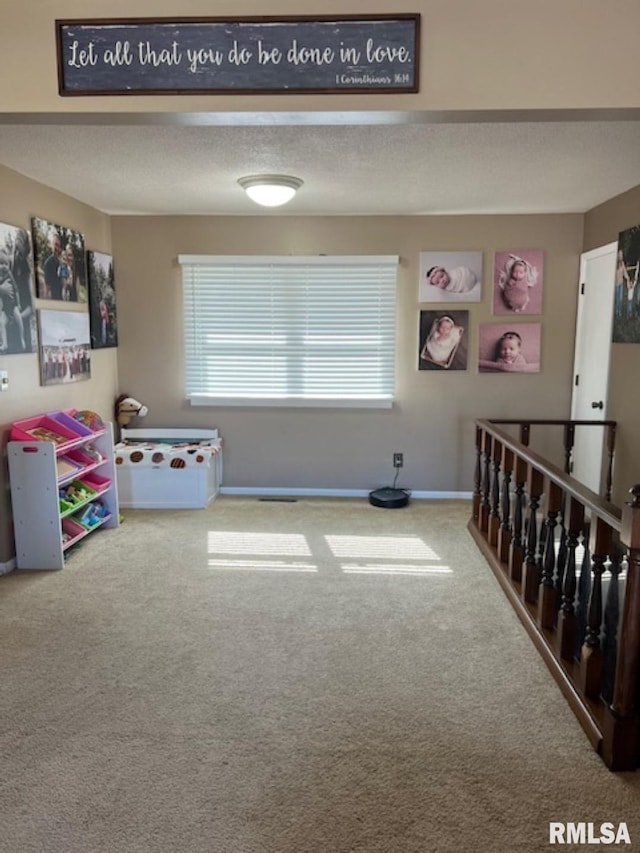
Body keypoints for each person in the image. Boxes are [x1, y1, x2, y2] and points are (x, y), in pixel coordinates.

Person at [0, 248, 26, 352]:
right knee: (1, 322)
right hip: (4, 308)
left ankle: (22, 338)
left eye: (6, 264)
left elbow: (16, 290)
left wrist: (18, 304)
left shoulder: (9, 274)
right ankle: (4, 343)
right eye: (1, 264)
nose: (4, 266)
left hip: (13, 305)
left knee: (19, 319)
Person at [43, 232, 62, 299]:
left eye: (58, 246)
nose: (57, 248)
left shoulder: (60, 263)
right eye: (55, 245)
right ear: (51, 245)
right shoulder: (48, 263)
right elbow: (46, 289)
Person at [614, 249, 631, 318]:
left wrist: (628, 278)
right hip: (616, 285)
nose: (621, 256)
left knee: (620, 299)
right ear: (618, 256)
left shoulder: (622, 264)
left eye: (622, 255)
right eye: (620, 255)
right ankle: (616, 312)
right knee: (617, 299)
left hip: (621, 284)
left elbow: (624, 272)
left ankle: (619, 313)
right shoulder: (615, 264)